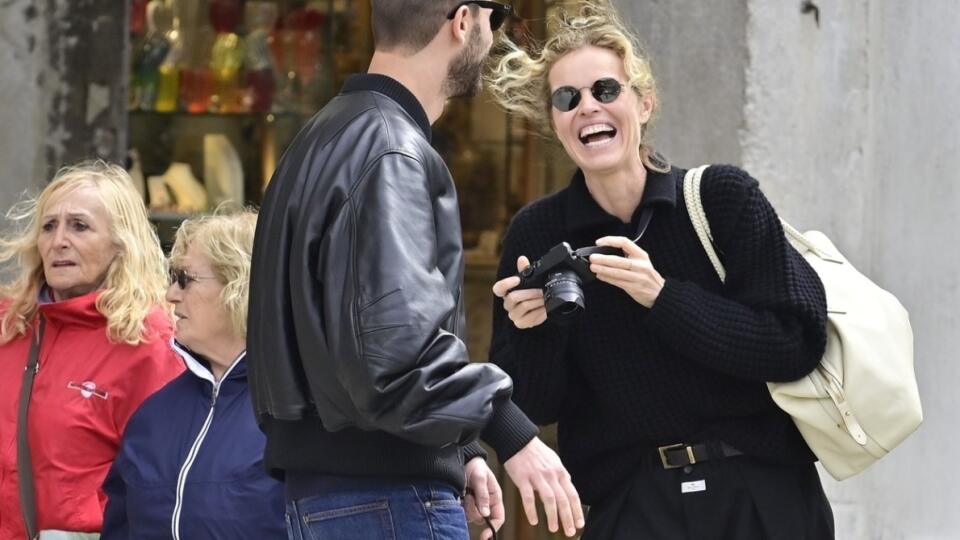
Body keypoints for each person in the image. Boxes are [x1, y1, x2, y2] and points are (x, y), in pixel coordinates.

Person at [486, 2, 835, 538]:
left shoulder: (721, 200)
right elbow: (535, 405)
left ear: (644, 103)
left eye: (606, 90)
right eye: (567, 98)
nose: (587, 108)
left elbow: (794, 344)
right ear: (554, 121)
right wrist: (535, 334)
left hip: (762, 495)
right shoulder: (536, 234)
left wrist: (663, 297)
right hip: (633, 503)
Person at [247, 1, 585, 539]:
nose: (493, 37)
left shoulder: (320, 137)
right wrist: (508, 431)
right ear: (463, 20)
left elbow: (361, 349)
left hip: (326, 496)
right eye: (493, 19)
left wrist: (458, 448)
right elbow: (396, 363)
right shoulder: (391, 149)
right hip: (384, 501)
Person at [0, 161, 184, 539]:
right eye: (49, 226)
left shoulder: (147, 340)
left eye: (79, 226)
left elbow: (165, 483)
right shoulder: (9, 324)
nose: (59, 241)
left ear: (121, 242)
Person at [101, 210, 284, 539]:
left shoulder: (299, 413)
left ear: (241, 283)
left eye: (185, 279)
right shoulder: (152, 416)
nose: (170, 295)